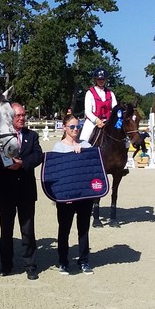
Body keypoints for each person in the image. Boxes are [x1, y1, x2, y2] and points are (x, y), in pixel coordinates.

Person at [0, 103, 43, 280]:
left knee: (28, 230)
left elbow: (39, 155)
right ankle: (6, 265)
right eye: (18, 116)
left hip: (26, 191)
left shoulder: (32, 135)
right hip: (5, 191)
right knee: (6, 231)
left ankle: (30, 265)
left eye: (24, 115)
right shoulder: (0, 137)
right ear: (10, 117)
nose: (22, 118)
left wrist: (24, 163)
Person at [53, 113, 95, 275]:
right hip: (66, 197)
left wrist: (82, 151)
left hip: (84, 195)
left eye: (78, 126)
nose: (75, 129)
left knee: (83, 228)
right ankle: (63, 261)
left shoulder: (86, 145)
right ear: (65, 127)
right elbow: (58, 171)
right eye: (72, 126)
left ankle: (84, 260)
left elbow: (92, 166)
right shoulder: (59, 147)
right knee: (64, 229)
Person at [81, 68, 118, 145]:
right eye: (99, 79)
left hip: (108, 121)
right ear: (96, 80)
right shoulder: (89, 93)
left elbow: (115, 109)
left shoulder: (111, 93)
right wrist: (96, 120)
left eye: (103, 79)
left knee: (125, 140)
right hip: (93, 121)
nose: (101, 81)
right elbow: (87, 111)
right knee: (84, 139)